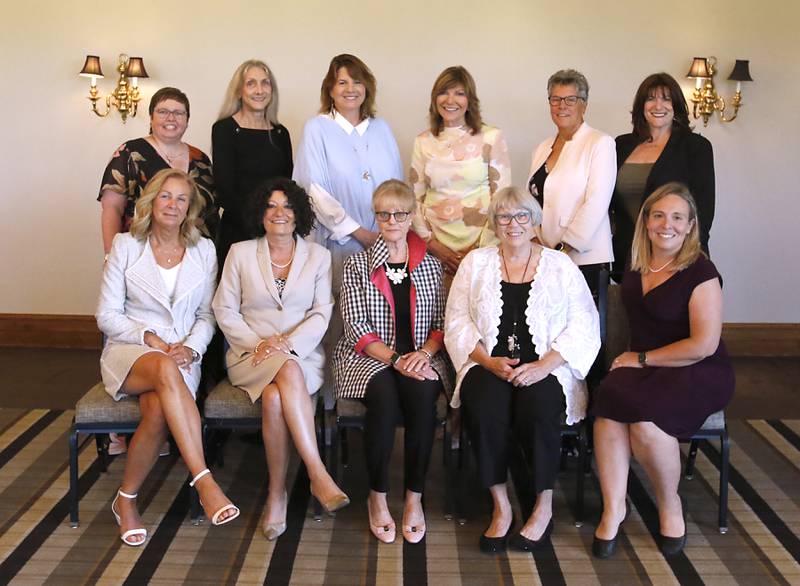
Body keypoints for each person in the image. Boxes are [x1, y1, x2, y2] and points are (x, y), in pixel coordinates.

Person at [445, 186, 600, 553]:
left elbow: (583, 323)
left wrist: (544, 365)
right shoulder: (475, 263)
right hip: (488, 363)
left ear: (534, 222)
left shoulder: (560, 265)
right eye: (503, 216)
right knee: (484, 406)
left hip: (547, 366)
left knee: (540, 407)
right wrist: (486, 360)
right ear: (494, 223)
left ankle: (542, 507)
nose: (512, 224)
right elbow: (456, 321)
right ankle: (501, 506)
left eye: (521, 216)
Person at [591, 182, 734, 559]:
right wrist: (635, 360)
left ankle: (669, 504)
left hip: (697, 369)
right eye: (658, 215)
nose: (666, 224)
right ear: (647, 221)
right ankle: (614, 508)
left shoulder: (701, 271)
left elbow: (703, 345)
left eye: (676, 217)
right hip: (646, 362)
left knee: (646, 425)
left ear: (690, 226)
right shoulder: (637, 265)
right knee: (607, 404)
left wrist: (640, 360)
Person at [96, 169, 237, 546]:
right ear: (151, 201)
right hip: (131, 351)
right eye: (166, 196)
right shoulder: (126, 246)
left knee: (157, 410)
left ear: (189, 208)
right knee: (161, 366)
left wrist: (191, 348)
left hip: (182, 356)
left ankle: (125, 501)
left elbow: (207, 315)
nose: (173, 205)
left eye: (181, 199)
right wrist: (151, 338)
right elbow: (106, 315)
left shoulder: (203, 250)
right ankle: (204, 479)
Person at [212, 177, 349, 540]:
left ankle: (277, 493)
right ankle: (318, 474)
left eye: (287, 206)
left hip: (302, 356)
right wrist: (259, 344)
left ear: (298, 213)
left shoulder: (318, 256)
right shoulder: (240, 253)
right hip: (249, 354)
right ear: (260, 212)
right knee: (282, 371)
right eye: (271, 205)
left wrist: (287, 344)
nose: (279, 213)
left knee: (274, 398)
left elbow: (323, 311)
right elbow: (224, 310)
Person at [333, 180, 452, 545]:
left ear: (411, 216)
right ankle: (378, 496)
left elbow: (441, 325)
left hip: (419, 355)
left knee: (421, 401)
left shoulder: (431, 267)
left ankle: (414, 499)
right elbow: (356, 327)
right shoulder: (356, 265)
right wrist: (397, 359)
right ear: (377, 216)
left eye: (399, 213)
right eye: (384, 214)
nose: (392, 220)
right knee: (384, 400)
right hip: (370, 357)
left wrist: (424, 355)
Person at [293, 53, 403, 405]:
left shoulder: (381, 129)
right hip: (338, 244)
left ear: (367, 87)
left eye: (357, 81)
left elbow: (397, 186)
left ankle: (367, 403)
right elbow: (314, 190)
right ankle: (329, 406)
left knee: (376, 323)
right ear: (330, 88)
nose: (350, 89)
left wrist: (388, 232)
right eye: (342, 82)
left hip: (384, 244)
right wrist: (359, 232)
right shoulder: (318, 128)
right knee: (336, 322)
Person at [409, 66, 511, 279]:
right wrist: (431, 244)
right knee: (436, 312)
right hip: (434, 252)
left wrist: (479, 248)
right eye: (444, 92)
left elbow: (502, 200)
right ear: (435, 99)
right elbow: (414, 200)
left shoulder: (491, 137)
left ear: (470, 100)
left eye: (459, 93)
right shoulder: (423, 141)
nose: (450, 100)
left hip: (483, 249)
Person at [99, 87, 218, 254]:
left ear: (187, 120)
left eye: (179, 113)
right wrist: (110, 255)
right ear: (151, 117)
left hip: (195, 254)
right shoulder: (130, 153)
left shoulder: (201, 160)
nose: (171, 118)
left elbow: (212, 212)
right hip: (141, 252)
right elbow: (112, 208)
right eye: (163, 112)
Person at [612, 73, 715, 266]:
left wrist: (692, 255)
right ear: (641, 106)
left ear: (676, 106)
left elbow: (703, 209)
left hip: (677, 256)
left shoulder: (696, 147)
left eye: (666, 99)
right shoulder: (621, 145)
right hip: (628, 256)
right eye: (651, 99)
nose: (658, 106)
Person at [527, 69, 616, 294]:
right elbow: (528, 202)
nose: (562, 105)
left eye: (570, 99)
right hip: (543, 257)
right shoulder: (541, 148)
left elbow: (597, 203)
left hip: (584, 257)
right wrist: (533, 241)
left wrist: (563, 249)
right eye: (555, 99)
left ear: (584, 105)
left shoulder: (600, 143)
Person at [212, 59, 293, 270]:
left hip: (277, 233)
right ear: (239, 91)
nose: (259, 90)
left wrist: (275, 222)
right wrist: (261, 220)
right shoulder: (224, 130)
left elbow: (287, 186)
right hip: (238, 232)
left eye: (265, 83)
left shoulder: (280, 133)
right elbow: (225, 190)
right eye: (251, 83)